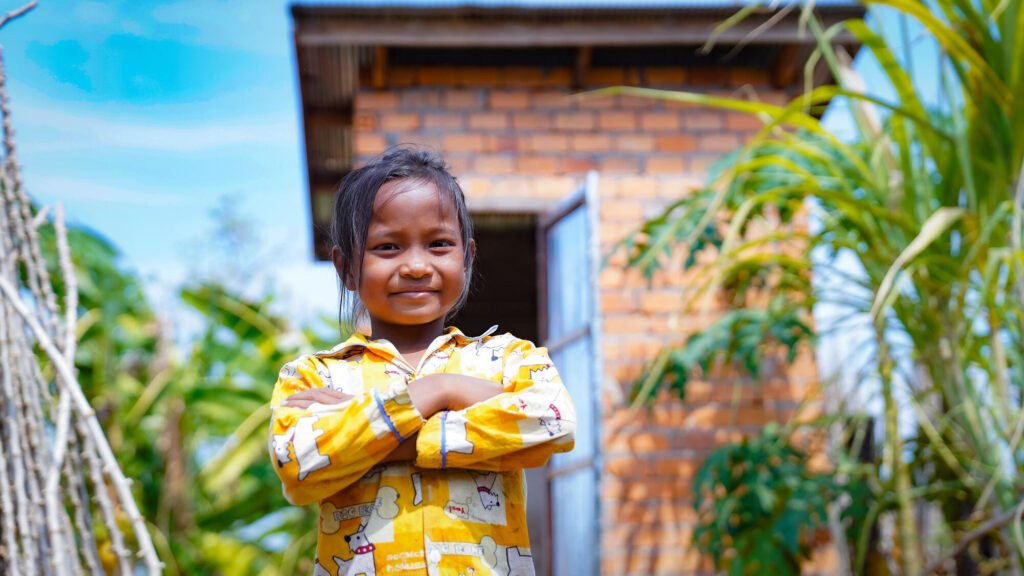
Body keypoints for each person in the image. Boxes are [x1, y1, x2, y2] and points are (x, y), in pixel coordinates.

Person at [269, 146, 576, 576]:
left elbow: (553, 423)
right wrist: (446, 402)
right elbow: (299, 462)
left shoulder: (508, 356)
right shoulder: (311, 375)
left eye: (438, 244)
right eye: (388, 247)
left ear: (466, 257)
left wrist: (432, 393)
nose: (416, 266)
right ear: (346, 268)